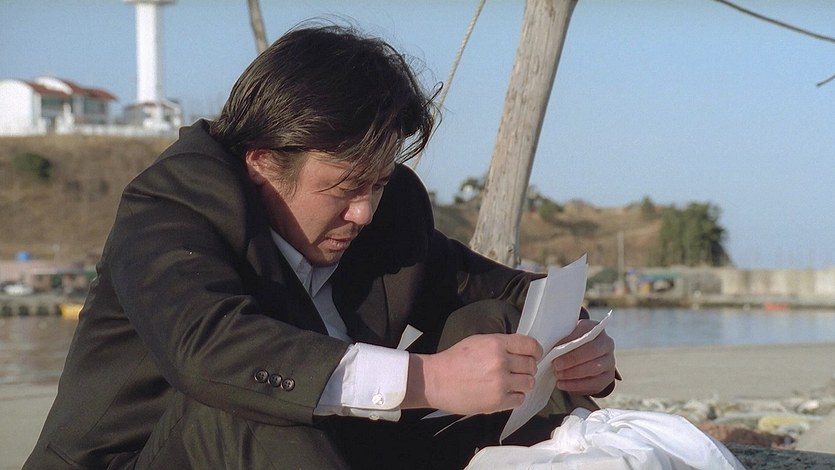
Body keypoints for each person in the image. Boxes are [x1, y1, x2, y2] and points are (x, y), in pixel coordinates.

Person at [25, 23, 616, 469]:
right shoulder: (173, 205)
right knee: (254, 395)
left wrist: (580, 346)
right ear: (263, 162)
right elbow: (208, 349)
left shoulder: (388, 210)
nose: (363, 212)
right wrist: (429, 379)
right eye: (343, 188)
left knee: (501, 328)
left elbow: (507, 291)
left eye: (377, 184)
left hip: (333, 451)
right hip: (149, 455)